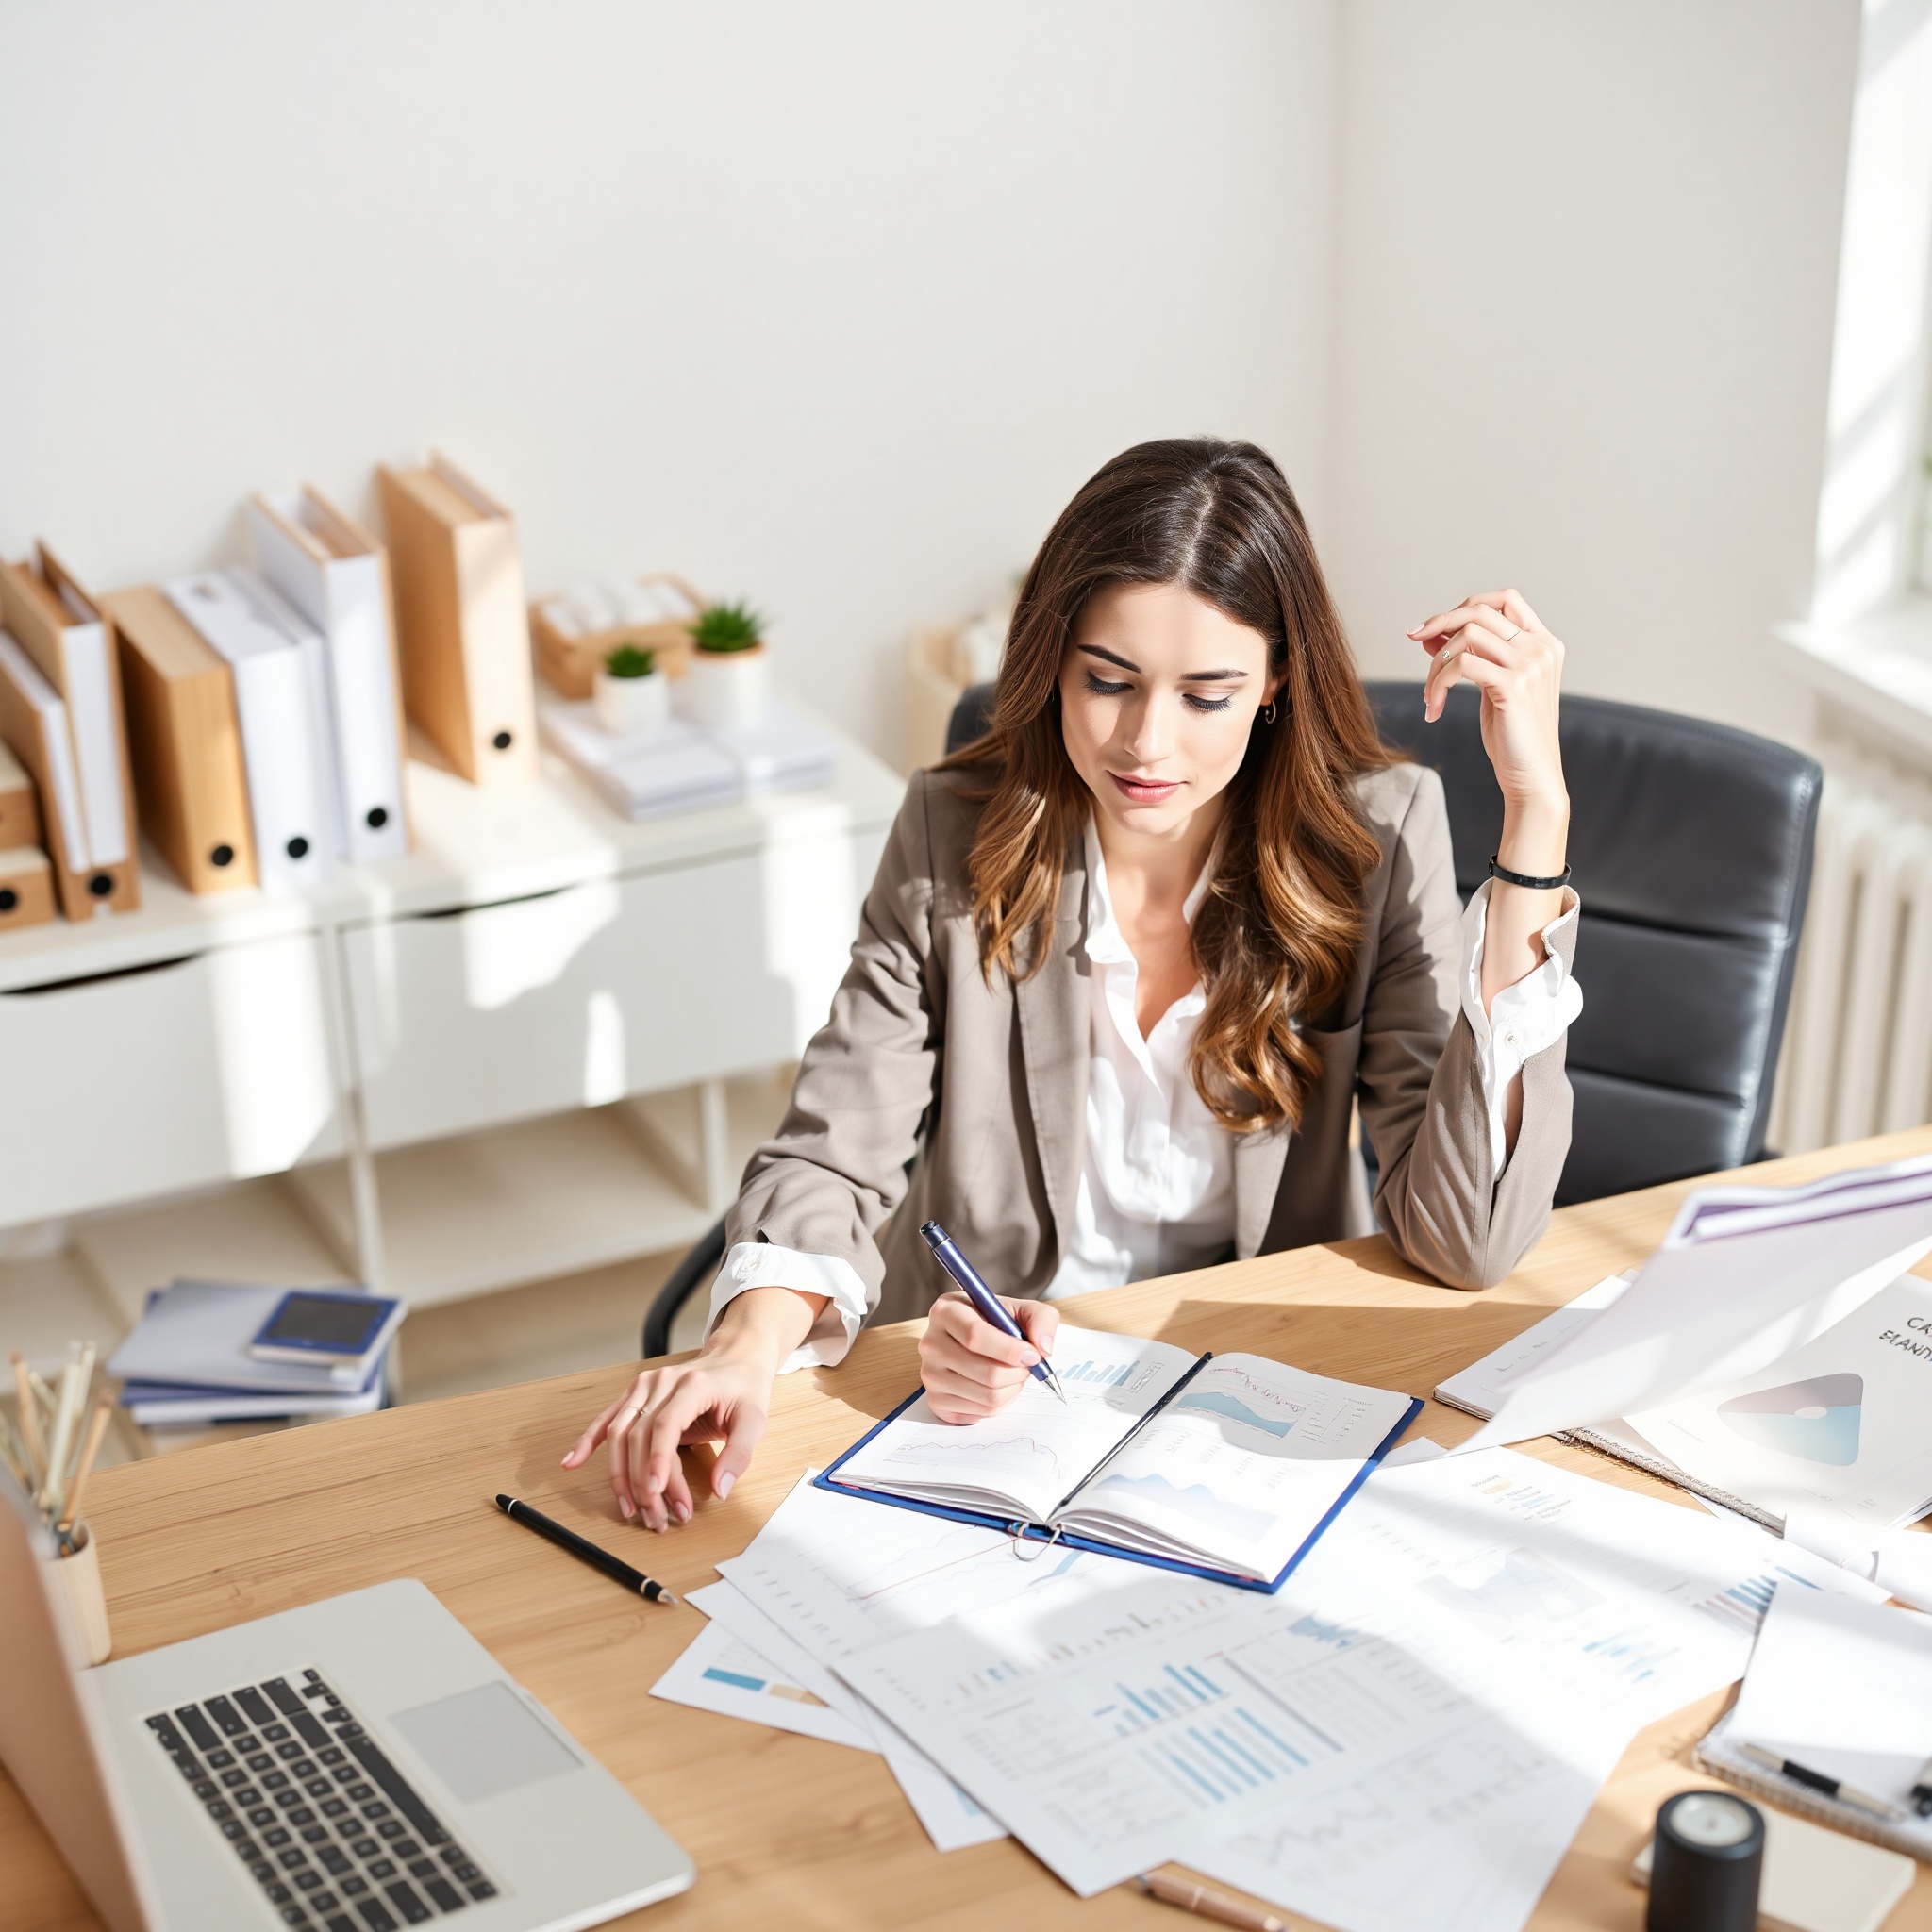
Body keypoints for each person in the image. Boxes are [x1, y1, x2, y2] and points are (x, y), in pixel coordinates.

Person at [564, 437, 1581, 1531]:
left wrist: (1534, 817)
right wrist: (745, 1341)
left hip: (1241, 1417)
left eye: (1206, 694)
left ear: (1276, 681)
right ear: (1052, 659)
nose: (1145, 742)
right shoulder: (954, 830)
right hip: (982, 1402)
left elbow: (1466, 1238)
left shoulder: (1375, 839)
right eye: (1107, 681)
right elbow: (836, 1141)